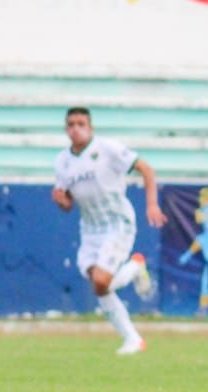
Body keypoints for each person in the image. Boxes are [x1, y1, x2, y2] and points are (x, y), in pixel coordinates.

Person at [51, 107, 165, 355]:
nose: (76, 128)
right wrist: (62, 202)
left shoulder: (107, 149)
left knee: (102, 280)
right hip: (90, 230)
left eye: (81, 123)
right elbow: (68, 202)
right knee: (99, 286)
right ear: (65, 129)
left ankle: (135, 267)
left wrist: (152, 204)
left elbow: (146, 168)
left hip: (117, 223)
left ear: (90, 127)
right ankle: (133, 339)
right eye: (71, 124)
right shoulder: (62, 162)